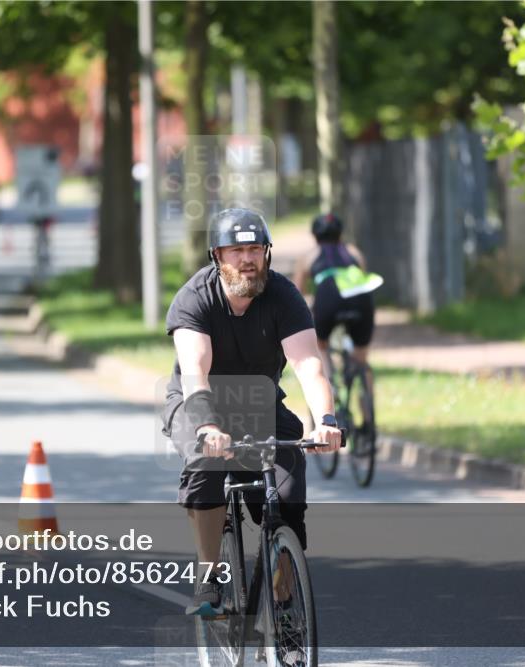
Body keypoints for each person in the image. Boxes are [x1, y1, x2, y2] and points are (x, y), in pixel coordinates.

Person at [162, 208, 342, 616]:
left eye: (255, 249)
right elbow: (195, 371)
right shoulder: (195, 297)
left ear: (267, 254)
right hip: (198, 402)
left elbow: (308, 364)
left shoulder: (283, 296)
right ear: (217, 256)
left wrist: (326, 422)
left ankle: (282, 601)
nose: (247, 259)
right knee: (204, 466)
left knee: (290, 491)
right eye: (237, 250)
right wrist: (208, 426)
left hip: (259, 403)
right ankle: (208, 576)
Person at [293, 213, 379, 382]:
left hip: (328, 299)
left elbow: (296, 295)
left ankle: (328, 382)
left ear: (315, 235)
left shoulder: (309, 256)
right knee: (361, 357)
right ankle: (367, 401)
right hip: (361, 299)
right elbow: (362, 277)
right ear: (340, 234)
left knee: (320, 345)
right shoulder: (354, 252)